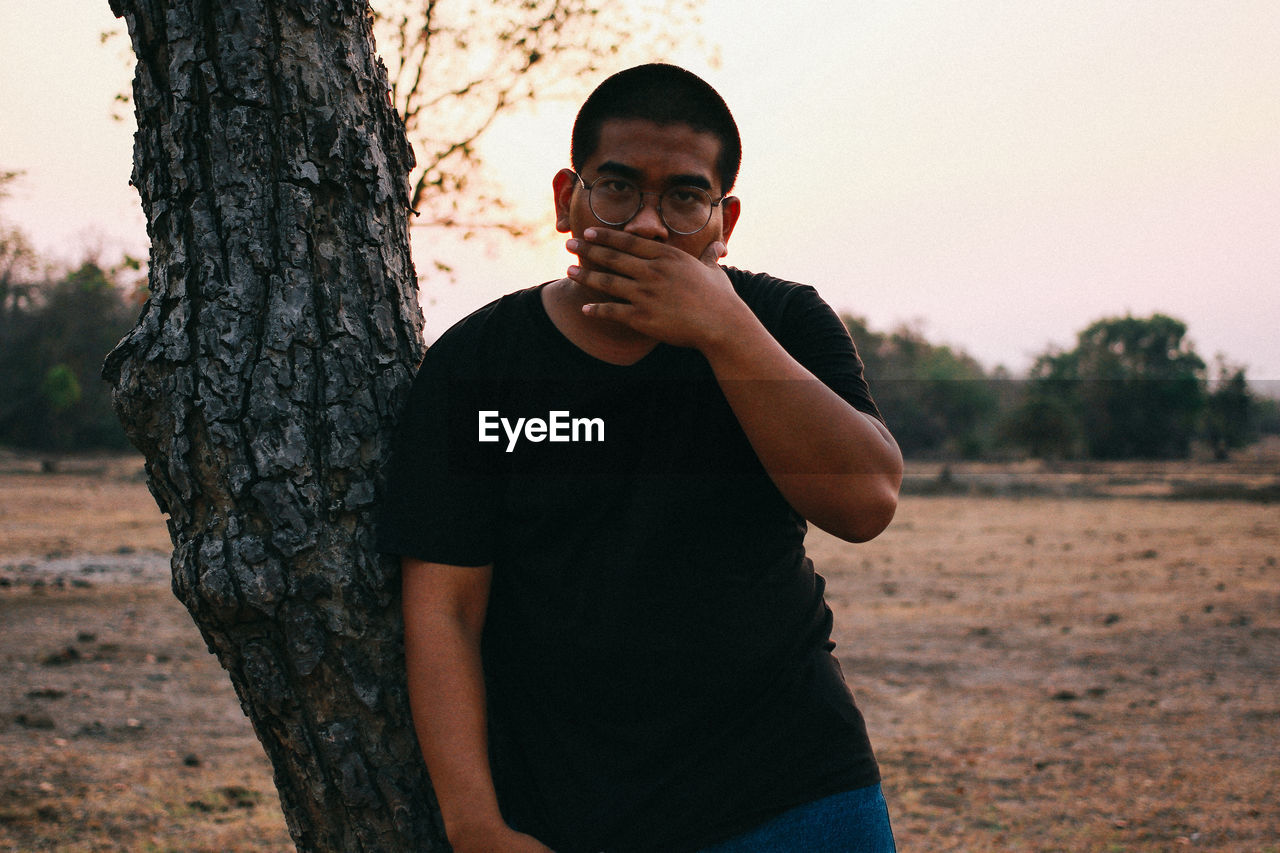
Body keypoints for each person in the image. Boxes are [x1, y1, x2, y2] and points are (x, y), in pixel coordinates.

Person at [378, 63, 903, 853]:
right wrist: (475, 822)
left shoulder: (782, 322)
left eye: (685, 199)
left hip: (794, 793)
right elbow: (445, 610)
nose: (651, 226)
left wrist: (724, 330)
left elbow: (865, 503)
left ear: (723, 220)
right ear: (568, 199)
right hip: (575, 817)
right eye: (618, 188)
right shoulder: (481, 362)